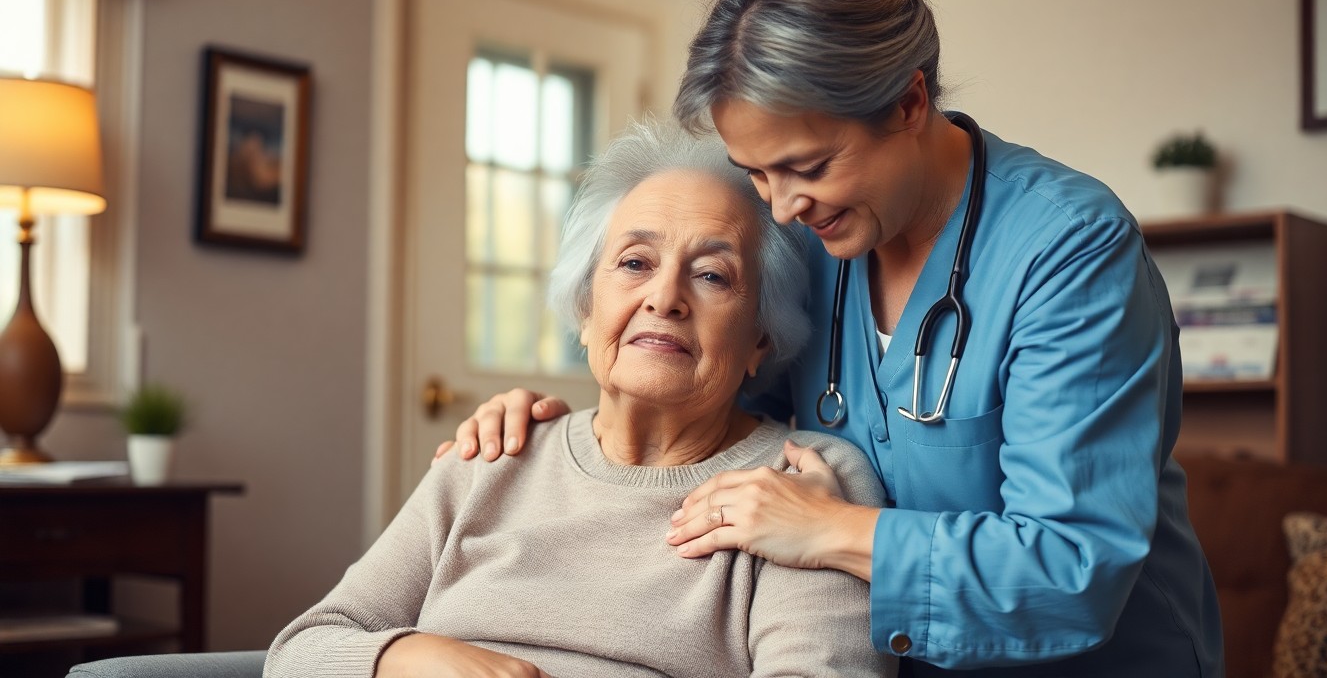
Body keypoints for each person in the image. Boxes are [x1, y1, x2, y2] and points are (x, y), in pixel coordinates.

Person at [443, 0, 1225, 676]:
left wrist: (832, 530)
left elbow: (1071, 573)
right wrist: (549, 429)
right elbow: (711, 405)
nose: (783, 208)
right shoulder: (812, 240)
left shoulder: (1069, 251)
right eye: (757, 173)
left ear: (909, 104)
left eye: (809, 167)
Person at [266, 121, 900, 678]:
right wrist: (409, 658)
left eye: (712, 275)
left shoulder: (807, 485)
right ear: (585, 309)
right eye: (635, 263)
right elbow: (300, 650)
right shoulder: (491, 457)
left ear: (762, 336)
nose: (665, 298)